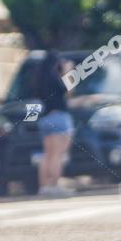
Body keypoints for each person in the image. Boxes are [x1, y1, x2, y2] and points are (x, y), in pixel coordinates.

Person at [33, 50, 74, 196]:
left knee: (47, 154)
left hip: (45, 118)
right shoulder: (55, 78)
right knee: (58, 154)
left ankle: (44, 187)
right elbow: (69, 91)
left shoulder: (41, 79)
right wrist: (68, 72)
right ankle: (54, 185)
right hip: (59, 118)